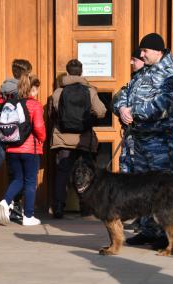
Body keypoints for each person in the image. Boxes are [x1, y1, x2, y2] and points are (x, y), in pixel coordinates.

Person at [114, 33, 173, 249]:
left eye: (144, 51)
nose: (141, 55)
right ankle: (148, 231)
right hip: (139, 141)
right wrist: (122, 109)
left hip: (159, 142)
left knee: (161, 190)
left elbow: (162, 106)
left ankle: (167, 235)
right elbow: (122, 93)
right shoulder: (143, 72)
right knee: (142, 189)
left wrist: (132, 112)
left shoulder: (171, 75)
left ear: (158, 51)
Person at [50, 59, 106, 219]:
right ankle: (86, 208)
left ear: (67, 73)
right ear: (81, 72)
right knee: (86, 172)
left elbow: (54, 111)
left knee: (62, 173)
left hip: (63, 138)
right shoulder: (90, 90)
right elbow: (101, 111)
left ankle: (59, 207)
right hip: (83, 139)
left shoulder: (58, 92)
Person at [0, 75, 46, 226]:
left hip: (12, 147)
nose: (37, 92)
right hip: (30, 149)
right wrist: (43, 138)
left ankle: (6, 201)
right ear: (32, 89)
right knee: (30, 181)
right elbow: (38, 127)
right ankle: (28, 216)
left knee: (18, 179)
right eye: (37, 89)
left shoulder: (11, 103)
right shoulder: (35, 105)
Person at [112, 48, 145, 232]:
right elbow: (117, 98)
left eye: (135, 60)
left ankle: (144, 222)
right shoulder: (133, 81)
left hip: (143, 140)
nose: (131, 63)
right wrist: (122, 108)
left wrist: (134, 112)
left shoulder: (156, 78)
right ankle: (136, 218)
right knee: (128, 179)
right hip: (130, 140)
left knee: (141, 182)